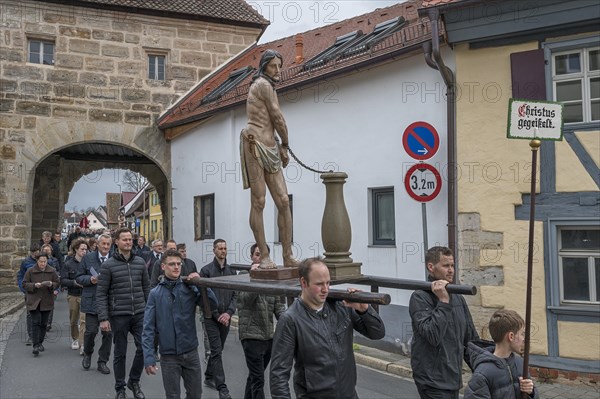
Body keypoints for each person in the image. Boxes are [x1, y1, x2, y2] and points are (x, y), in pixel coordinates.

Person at [270, 257, 385, 398]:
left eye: (328, 283)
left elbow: (377, 333)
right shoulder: (291, 319)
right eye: (319, 284)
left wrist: (364, 310)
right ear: (303, 282)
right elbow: (278, 374)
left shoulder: (341, 307)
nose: (325, 289)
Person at [240, 49, 295, 268]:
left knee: (283, 200)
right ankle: (263, 255)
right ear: (264, 67)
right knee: (259, 200)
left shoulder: (267, 85)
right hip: (254, 143)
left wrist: (280, 144)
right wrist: (286, 144)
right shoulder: (263, 85)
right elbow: (277, 117)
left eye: (279, 66)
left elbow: (275, 119)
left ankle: (288, 255)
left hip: (270, 145)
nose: (278, 70)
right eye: (273, 66)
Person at [142, 249, 217, 399]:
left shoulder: (189, 288)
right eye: (172, 264)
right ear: (163, 267)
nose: (176, 267)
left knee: (196, 394)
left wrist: (201, 284)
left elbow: (212, 304)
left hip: (190, 352)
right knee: (173, 395)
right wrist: (149, 357)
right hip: (169, 356)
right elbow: (148, 328)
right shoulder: (155, 294)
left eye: (178, 264)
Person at [409, 246, 479, 399]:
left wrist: (483, 370)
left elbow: (471, 340)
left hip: (453, 378)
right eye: (446, 265)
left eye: (452, 265)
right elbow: (432, 335)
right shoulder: (419, 297)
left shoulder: (458, 297)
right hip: (431, 381)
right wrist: (443, 301)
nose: (451, 270)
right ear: (431, 267)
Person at [96, 228, 150, 399]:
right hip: (119, 314)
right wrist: (103, 318)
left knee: (144, 347)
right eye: (124, 239)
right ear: (116, 242)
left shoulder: (140, 262)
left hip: (140, 313)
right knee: (120, 353)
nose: (128, 242)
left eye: (130, 239)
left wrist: (150, 310)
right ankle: (120, 388)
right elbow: (101, 293)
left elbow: (147, 288)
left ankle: (134, 381)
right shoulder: (108, 265)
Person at [238, 243, 286, 399]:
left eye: (264, 255)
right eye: (258, 254)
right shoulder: (243, 277)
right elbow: (245, 300)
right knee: (258, 380)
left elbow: (279, 307)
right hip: (251, 336)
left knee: (254, 377)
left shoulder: (272, 279)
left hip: (268, 337)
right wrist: (255, 278)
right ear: (252, 257)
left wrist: (289, 322)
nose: (260, 258)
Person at [464, 310, 538, 399]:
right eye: (522, 334)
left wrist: (531, 392)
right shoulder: (482, 374)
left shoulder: (520, 363)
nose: (523, 338)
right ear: (511, 336)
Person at [200, 239, 236, 399]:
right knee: (216, 350)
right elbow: (204, 296)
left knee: (218, 350)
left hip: (226, 317)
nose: (223, 251)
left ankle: (208, 376)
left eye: (225, 248)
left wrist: (228, 313)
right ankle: (222, 388)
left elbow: (236, 294)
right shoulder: (206, 271)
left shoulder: (231, 271)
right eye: (220, 248)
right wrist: (216, 315)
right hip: (211, 317)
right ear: (214, 250)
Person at [76, 233, 113, 375]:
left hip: (109, 303)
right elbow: (79, 277)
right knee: (91, 332)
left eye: (108, 244)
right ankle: (88, 353)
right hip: (92, 301)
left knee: (108, 334)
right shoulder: (88, 258)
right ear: (97, 244)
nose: (105, 247)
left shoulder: (114, 259)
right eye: (103, 244)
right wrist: (90, 279)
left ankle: (102, 361)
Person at [22, 253, 60, 356]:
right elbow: (24, 284)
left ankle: (40, 343)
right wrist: (34, 285)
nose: (43, 263)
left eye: (44, 262)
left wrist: (52, 284)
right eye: (41, 261)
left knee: (43, 323)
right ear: (37, 261)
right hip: (33, 300)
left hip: (46, 300)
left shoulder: (52, 270)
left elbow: (57, 283)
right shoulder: (30, 271)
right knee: (36, 322)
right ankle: (35, 345)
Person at [61, 238, 87, 352]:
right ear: (76, 249)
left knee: (84, 320)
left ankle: (82, 343)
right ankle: (75, 338)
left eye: (86, 249)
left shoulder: (88, 262)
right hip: (73, 294)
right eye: (82, 249)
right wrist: (74, 283)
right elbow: (63, 280)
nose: (84, 251)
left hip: (85, 295)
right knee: (73, 320)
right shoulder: (68, 264)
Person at [17, 243, 40, 346]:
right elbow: (20, 276)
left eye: (37, 253)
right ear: (31, 253)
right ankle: (31, 336)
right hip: (30, 291)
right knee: (30, 313)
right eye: (34, 253)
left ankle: (40, 333)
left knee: (42, 313)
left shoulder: (43, 261)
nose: (35, 255)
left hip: (42, 292)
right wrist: (23, 288)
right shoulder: (26, 262)